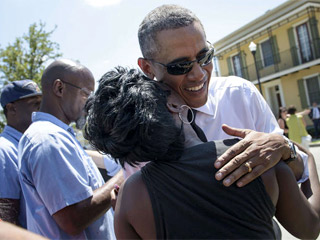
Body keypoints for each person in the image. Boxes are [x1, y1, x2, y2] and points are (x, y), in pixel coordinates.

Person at [84, 67, 320, 239]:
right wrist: (305, 158)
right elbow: (311, 229)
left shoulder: (130, 196)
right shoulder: (251, 155)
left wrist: (124, 211)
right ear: (172, 106)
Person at [136, 4, 308, 187]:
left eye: (205, 57)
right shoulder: (137, 128)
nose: (199, 74)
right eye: (180, 66)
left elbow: (300, 174)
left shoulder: (241, 95)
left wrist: (284, 149)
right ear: (148, 68)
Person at [18, 59, 123, 239]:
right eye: (86, 94)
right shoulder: (48, 139)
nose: (90, 104)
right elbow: (73, 220)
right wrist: (125, 174)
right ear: (59, 88)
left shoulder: (59, 136)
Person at [0, 80, 42, 227]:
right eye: (35, 104)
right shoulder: (4, 150)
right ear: (12, 109)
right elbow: (6, 217)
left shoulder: (29, 144)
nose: (41, 109)